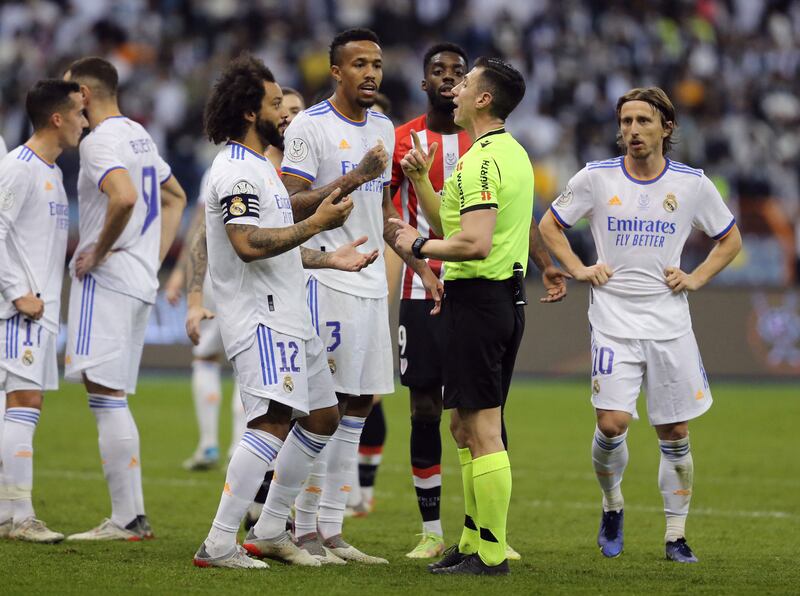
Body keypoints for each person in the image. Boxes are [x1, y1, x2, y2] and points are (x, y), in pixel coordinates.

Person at [186, 54, 378, 569]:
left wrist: (326, 257)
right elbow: (248, 243)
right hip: (262, 315)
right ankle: (220, 541)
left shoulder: (262, 169)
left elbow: (279, 235)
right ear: (251, 112)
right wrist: (317, 225)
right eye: (275, 104)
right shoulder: (236, 172)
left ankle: (271, 528)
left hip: (291, 309)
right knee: (271, 421)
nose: (284, 114)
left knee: (322, 415)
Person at [539, 87, 742, 563]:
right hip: (613, 319)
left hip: (670, 322)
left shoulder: (691, 183)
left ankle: (676, 536)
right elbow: (550, 225)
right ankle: (612, 504)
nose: (632, 130)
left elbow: (729, 240)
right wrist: (581, 267)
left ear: (666, 128)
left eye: (643, 121)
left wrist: (695, 278)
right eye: (626, 121)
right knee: (611, 425)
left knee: (673, 432)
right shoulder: (596, 177)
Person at [280, 27, 442, 564]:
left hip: (374, 282)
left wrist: (422, 262)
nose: (370, 72)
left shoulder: (382, 125)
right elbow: (290, 206)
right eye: (358, 64)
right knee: (321, 408)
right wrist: (352, 178)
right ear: (336, 71)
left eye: (375, 64)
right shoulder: (309, 126)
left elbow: (387, 214)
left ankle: (330, 531)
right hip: (326, 281)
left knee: (357, 407)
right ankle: (297, 529)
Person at [392, 57, 533, 576]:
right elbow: (456, 224)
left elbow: (471, 244)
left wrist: (416, 243)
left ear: (484, 99)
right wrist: (421, 185)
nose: (454, 87)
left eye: (466, 82)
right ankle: (472, 540)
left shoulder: (480, 161)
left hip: (481, 299)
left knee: (483, 428)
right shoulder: (506, 154)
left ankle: (491, 552)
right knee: (462, 425)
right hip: (491, 300)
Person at [62, 57, 187, 541]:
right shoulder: (139, 133)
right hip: (139, 279)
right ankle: (130, 516)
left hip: (110, 279)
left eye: (70, 92)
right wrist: (149, 255)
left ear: (85, 95)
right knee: (112, 395)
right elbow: (174, 196)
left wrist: (100, 249)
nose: (67, 100)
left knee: (104, 394)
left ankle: (126, 518)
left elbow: (124, 198)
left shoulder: (99, 141)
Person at [0, 79, 87, 543]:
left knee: (21, 405)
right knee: (23, 402)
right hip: (19, 312)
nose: (85, 122)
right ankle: (21, 517)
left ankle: (5, 513)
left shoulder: (51, 172)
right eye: (79, 113)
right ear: (57, 118)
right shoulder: (19, 167)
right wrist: (17, 292)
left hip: (39, 310)